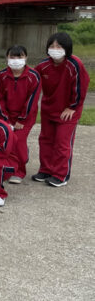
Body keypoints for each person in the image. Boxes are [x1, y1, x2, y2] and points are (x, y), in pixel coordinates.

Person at [33, 32, 90, 187]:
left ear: (67, 48)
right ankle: (46, 169)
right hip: (48, 108)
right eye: (52, 46)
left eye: (59, 46)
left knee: (62, 143)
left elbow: (81, 86)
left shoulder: (75, 64)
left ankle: (60, 174)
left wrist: (73, 107)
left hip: (68, 111)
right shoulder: (43, 65)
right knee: (45, 140)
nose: (55, 49)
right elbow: (31, 79)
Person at [0, 45, 41, 183]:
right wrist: (5, 119)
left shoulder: (33, 76)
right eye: (12, 57)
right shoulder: (2, 76)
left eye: (19, 57)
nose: (16, 60)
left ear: (26, 57)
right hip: (6, 116)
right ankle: (9, 167)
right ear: (7, 58)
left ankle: (20, 170)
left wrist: (22, 119)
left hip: (25, 117)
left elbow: (32, 100)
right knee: (7, 140)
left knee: (18, 141)